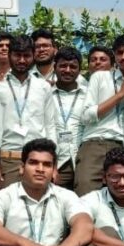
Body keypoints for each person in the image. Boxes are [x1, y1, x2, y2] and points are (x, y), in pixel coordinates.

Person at [75, 35, 124, 195]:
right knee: (85, 194)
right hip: (96, 144)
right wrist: (121, 94)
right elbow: (86, 116)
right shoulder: (100, 77)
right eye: (120, 52)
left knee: (122, 199)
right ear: (115, 56)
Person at [0, 36, 57, 187]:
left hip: (39, 159)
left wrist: (54, 163)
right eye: (17, 55)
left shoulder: (43, 87)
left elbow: (50, 126)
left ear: (33, 56)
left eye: (26, 55)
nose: (21, 60)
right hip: (8, 160)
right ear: (9, 55)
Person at [51, 47, 87, 188]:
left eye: (73, 66)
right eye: (63, 66)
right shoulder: (45, 95)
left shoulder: (89, 95)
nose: (67, 70)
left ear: (79, 69)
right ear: (54, 67)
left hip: (81, 161)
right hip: (56, 162)